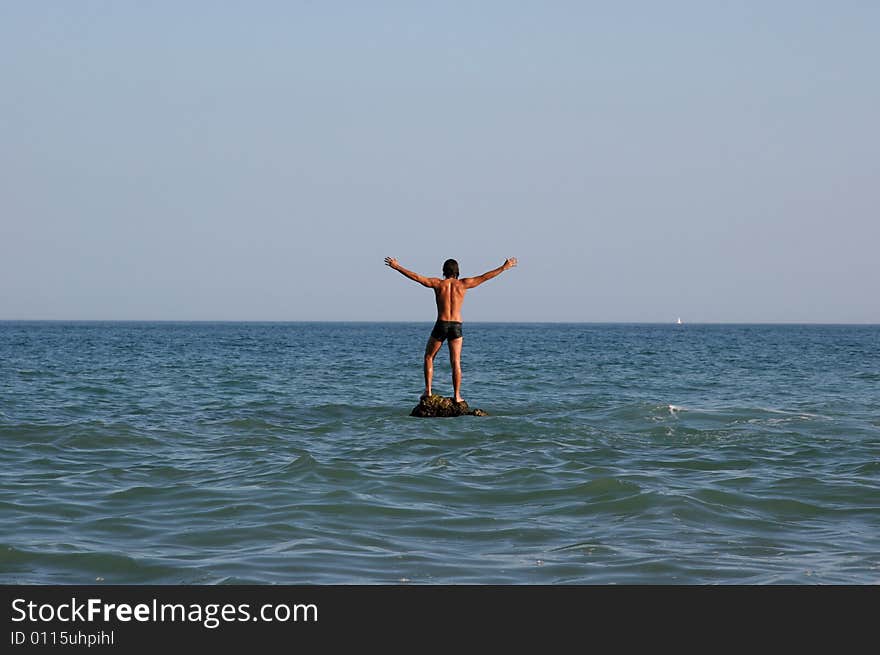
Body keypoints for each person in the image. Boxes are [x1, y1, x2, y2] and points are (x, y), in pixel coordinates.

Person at [384, 256, 518, 403]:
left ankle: (428, 391)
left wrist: (397, 267)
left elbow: (416, 277)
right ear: (457, 271)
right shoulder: (463, 284)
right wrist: (504, 267)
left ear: (443, 271)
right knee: (456, 361)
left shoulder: (437, 283)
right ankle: (457, 395)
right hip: (456, 326)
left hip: (441, 324)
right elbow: (485, 277)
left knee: (429, 357)